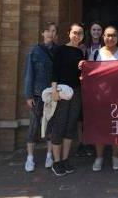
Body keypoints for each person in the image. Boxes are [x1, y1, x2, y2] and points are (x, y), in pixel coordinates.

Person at [88, 26, 118, 172]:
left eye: (113, 35)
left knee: (117, 128)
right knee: (100, 127)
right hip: (100, 98)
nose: (110, 38)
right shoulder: (95, 54)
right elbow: (89, 75)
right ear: (103, 37)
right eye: (107, 35)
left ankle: (115, 156)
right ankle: (99, 157)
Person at [49, 23, 86, 177]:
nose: (77, 35)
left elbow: (79, 74)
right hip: (62, 91)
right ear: (69, 33)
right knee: (59, 124)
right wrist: (54, 90)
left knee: (71, 124)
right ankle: (56, 161)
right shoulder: (60, 50)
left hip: (76, 92)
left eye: (80, 33)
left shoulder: (80, 52)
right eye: (75, 33)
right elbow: (54, 70)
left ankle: (65, 159)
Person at [23, 22, 57, 172]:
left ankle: (49, 155)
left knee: (51, 125)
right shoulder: (35, 51)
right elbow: (29, 74)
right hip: (37, 94)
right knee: (34, 125)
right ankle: (30, 158)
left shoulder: (58, 51)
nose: (50, 33)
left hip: (52, 95)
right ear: (42, 33)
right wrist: (28, 95)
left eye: (53, 31)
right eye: (47, 31)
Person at [77, 22, 103, 158]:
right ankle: (83, 143)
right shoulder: (83, 47)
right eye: (94, 29)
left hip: (100, 87)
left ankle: (96, 141)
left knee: (96, 114)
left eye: (99, 29)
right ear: (90, 31)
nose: (96, 32)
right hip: (85, 85)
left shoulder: (105, 47)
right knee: (83, 116)